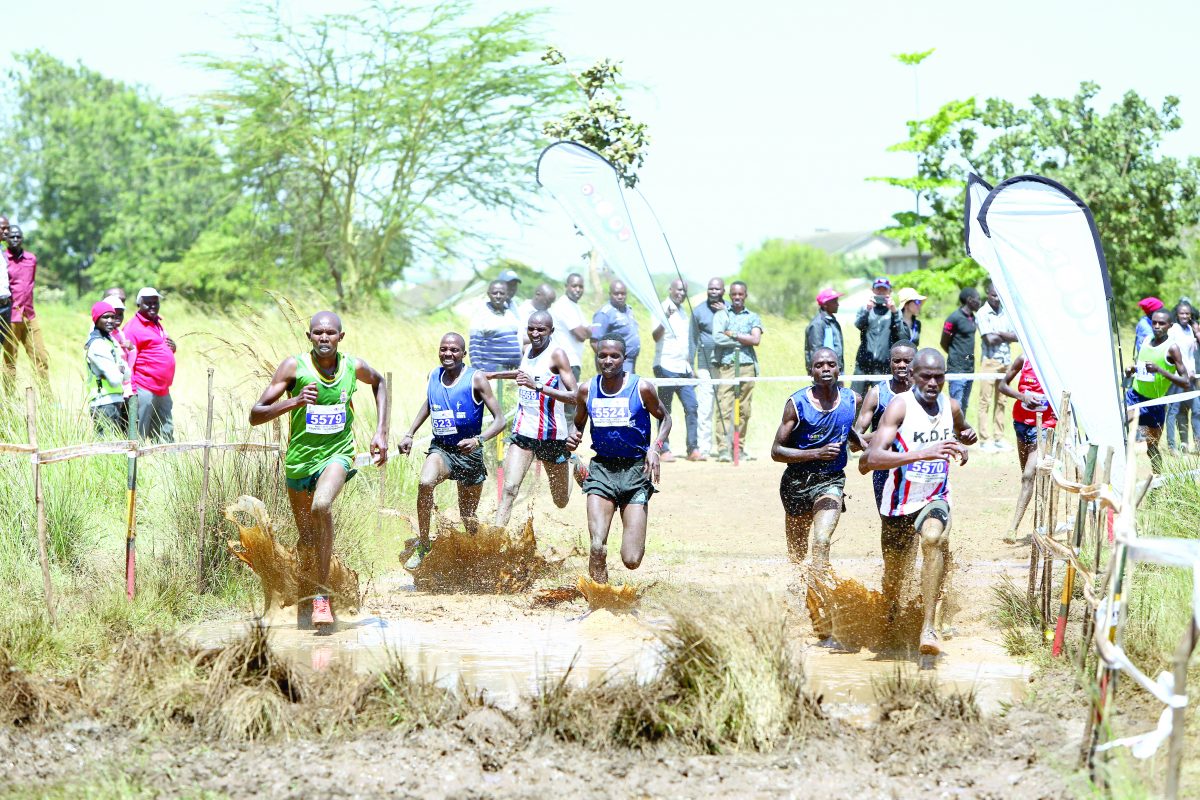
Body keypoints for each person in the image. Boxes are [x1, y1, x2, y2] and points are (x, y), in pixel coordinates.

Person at [250, 311, 388, 631]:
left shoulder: (353, 367)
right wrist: (294, 401)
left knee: (322, 504)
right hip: (299, 460)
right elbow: (256, 415)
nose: (324, 338)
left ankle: (322, 597)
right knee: (307, 538)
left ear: (341, 336)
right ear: (309, 336)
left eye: (330, 333)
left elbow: (380, 383)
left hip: (337, 454)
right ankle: (306, 591)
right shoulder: (293, 367)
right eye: (317, 333)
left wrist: (381, 431)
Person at [862, 349, 977, 657]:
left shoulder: (950, 406)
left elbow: (962, 431)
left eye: (939, 376)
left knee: (933, 539)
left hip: (934, 496)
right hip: (899, 502)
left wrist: (963, 444)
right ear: (912, 376)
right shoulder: (900, 407)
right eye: (926, 376)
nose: (932, 383)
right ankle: (889, 621)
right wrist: (922, 453)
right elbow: (873, 457)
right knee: (894, 576)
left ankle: (929, 626)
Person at [771, 347, 860, 638]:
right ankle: (801, 603)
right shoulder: (796, 404)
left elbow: (850, 432)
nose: (825, 368)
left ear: (839, 369)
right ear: (811, 371)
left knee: (821, 541)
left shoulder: (851, 400)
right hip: (796, 483)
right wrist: (816, 452)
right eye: (819, 364)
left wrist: (865, 444)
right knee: (797, 556)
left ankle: (821, 604)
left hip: (830, 481)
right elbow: (776, 451)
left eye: (831, 364)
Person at [566, 336, 671, 584]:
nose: (608, 360)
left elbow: (665, 418)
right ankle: (599, 602)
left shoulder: (641, 388)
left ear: (624, 359)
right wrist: (574, 435)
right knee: (597, 546)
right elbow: (578, 422)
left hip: (636, 471)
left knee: (631, 559)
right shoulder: (587, 389)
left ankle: (630, 510)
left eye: (614, 356)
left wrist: (655, 448)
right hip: (602, 469)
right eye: (602, 355)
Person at [398, 332, 506, 569]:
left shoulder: (476, 379)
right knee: (425, 483)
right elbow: (429, 403)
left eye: (454, 350)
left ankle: (482, 558)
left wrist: (478, 440)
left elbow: (500, 421)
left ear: (463, 354)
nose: (448, 354)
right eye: (444, 349)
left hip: (469, 454)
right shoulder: (433, 376)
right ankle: (424, 544)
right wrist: (410, 433)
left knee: (468, 517)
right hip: (442, 449)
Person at [491, 311, 578, 527]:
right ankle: (492, 544)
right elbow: (523, 374)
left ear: (551, 331)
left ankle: (573, 465)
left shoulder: (557, 355)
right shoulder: (527, 349)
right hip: (523, 431)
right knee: (510, 488)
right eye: (531, 328)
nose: (535, 333)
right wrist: (493, 375)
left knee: (560, 501)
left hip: (551, 435)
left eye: (541, 329)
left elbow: (575, 396)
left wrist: (538, 387)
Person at [996, 352, 1056, 544]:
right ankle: (1038, 520)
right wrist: (1022, 396)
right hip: (1021, 423)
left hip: (1045, 425)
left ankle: (1013, 529)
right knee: (1026, 477)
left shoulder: (1055, 361)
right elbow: (1003, 386)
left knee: (1029, 475)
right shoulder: (1024, 359)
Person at [1125, 308, 1193, 473]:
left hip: (1155, 404)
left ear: (1169, 325)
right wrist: (1132, 369)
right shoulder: (1147, 339)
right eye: (1154, 322)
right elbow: (1142, 366)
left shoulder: (1172, 348)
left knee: (1152, 448)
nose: (1156, 326)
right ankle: (1118, 472)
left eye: (1161, 323)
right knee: (1118, 424)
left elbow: (1185, 382)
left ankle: (1158, 480)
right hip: (1134, 397)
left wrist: (1160, 370)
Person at [852, 342, 916, 514]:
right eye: (897, 361)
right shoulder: (877, 394)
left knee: (916, 524)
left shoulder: (924, 395)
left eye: (907, 361)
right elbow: (854, 441)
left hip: (915, 467)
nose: (902, 365)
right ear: (890, 363)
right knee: (889, 524)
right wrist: (886, 433)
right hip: (884, 470)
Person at [712, 281, 763, 462]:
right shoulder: (723, 314)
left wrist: (732, 334)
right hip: (727, 365)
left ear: (745, 295)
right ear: (730, 295)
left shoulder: (753, 317)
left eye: (740, 294)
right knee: (724, 407)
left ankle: (739, 448)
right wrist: (744, 338)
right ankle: (723, 449)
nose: (737, 297)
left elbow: (755, 339)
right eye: (734, 294)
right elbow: (718, 336)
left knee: (744, 409)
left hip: (747, 365)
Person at [652, 279, 699, 462]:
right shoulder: (661, 308)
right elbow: (655, 336)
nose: (681, 293)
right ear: (670, 289)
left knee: (692, 406)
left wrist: (691, 366)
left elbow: (684, 342)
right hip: (665, 366)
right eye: (678, 289)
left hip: (684, 368)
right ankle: (663, 449)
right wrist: (665, 318)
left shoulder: (683, 311)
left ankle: (693, 449)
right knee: (664, 410)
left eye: (684, 291)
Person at [122, 288, 177, 442]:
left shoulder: (157, 324)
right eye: (148, 303)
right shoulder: (132, 328)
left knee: (166, 432)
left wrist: (172, 348)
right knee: (139, 434)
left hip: (163, 390)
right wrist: (131, 390)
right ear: (139, 304)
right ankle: (134, 465)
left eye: (155, 302)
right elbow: (128, 360)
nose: (153, 306)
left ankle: (165, 465)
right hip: (143, 388)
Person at [2, 225, 49, 387]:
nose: (15, 240)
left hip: (29, 315)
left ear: (22, 239)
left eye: (18, 237)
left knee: (41, 358)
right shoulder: (3, 259)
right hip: (11, 317)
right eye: (12, 237)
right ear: (6, 239)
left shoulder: (31, 259)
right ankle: (9, 403)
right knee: (9, 362)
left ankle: (47, 400)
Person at [975, 279, 1018, 452]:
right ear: (987, 293)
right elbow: (989, 340)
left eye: (999, 296)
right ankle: (985, 440)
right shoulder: (982, 313)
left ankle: (999, 437)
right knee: (985, 400)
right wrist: (1005, 335)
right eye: (994, 295)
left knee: (1002, 400)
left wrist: (998, 333)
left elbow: (1016, 336)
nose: (997, 299)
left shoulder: (1005, 311)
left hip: (1006, 361)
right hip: (990, 361)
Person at [690, 277, 726, 460]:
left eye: (717, 289)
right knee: (705, 407)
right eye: (710, 288)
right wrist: (691, 364)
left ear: (723, 291)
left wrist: (726, 312)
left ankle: (724, 448)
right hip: (704, 365)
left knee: (725, 407)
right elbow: (692, 339)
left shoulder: (730, 310)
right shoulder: (698, 311)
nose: (713, 291)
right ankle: (704, 448)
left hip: (726, 365)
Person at [852, 277, 906, 396]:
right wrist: (867, 310)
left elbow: (901, 334)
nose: (881, 293)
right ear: (872, 291)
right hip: (863, 364)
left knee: (881, 400)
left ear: (890, 292)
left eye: (884, 290)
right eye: (878, 290)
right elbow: (858, 325)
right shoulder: (865, 308)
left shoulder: (895, 311)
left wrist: (894, 312)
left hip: (883, 365)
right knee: (856, 398)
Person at [85, 301, 130, 436]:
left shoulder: (110, 341)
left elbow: (127, 374)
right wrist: (120, 369)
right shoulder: (97, 344)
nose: (111, 320)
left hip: (114, 401)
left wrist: (119, 369)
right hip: (103, 403)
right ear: (96, 319)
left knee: (115, 446)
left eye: (112, 316)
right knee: (106, 447)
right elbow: (116, 379)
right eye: (105, 317)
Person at [940, 286, 982, 419]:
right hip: (956, 368)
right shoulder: (954, 318)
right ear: (969, 300)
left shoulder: (972, 318)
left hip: (969, 368)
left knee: (964, 404)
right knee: (956, 404)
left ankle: (961, 435)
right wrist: (955, 355)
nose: (979, 302)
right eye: (977, 299)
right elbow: (944, 342)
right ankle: (952, 435)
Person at [1165, 301, 1200, 455]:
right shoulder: (1173, 330)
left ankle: (1198, 444)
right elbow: (1170, 353)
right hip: (1177, 377)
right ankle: (1172, 446)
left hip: (1191, 378)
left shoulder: (1190, 330)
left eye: (1187, 313)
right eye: (1182, 313)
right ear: (1177, 314)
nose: (1185, 316)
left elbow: (1191, 354)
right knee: (1173, 410)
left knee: (1197, 410)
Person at [468, 280, 523, 372]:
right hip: (492, 371)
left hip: (513, 371)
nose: (498, 296)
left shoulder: (511, 313)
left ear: (507, 295)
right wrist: (479, 372)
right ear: (488, 294)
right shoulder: (481, 314)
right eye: (494, 293)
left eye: (501, 293)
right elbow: (474, 347)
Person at [550, 273, 591, 385]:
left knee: (569, 400)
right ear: (566, 286)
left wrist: (589, 331)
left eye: (581, 287)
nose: (578, 289)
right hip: (566, 362)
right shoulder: (564, 305)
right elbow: (582, 335)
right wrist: (588, 331)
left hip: (573, 361)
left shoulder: (574, 306)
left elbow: (591, 330)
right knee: (568, 400)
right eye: (574, 286)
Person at [592, 281, 640, 372]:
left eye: (623, 294)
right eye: (616, 294)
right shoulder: (604, 313)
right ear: (610, 294)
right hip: (615, 365)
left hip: (630, 361)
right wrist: (609, 362)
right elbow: (594, 342)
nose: (620, 297)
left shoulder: (628, 310)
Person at [805, 288, 844, 370]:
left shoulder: (833, 321)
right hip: (825, 372)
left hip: (835, 369)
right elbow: (815, 351)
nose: (837, 304)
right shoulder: (817, 324)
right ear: (825, 304)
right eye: (834, 302)